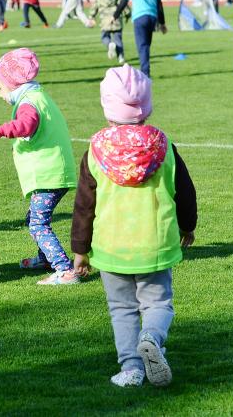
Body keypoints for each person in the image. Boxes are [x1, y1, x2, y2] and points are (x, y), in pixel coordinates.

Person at [72, 63, 197, 388]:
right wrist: (188, 226)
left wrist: (80, 250)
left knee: (122, 309)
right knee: (157, 304)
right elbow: (183, 190)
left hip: (112, 247)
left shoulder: (96, 151)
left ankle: (131, 368)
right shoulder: (163, 145)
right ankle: (152, 338)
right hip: (155, 244)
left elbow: (85, 205)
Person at [0, 48, 79, 285]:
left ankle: (64, 270)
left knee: (38, 223)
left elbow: (26, 124)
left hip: (49, 175)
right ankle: (45, 258)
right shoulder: (38, 95)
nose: (0, 94)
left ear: (13, 83)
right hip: (54, 172)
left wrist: (0, 130)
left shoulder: (28, 103)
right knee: (34, 218)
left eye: (0, 88)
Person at [112, 0, 166, 77]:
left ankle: (145, 74)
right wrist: (162, 23)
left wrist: (115, 15)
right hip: (151, 18)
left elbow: (123, 2)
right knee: (146, 44)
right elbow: (159, 7)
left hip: (139, 18)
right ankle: (145, 70)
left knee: (142, 45)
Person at [88, 0, 130, 64]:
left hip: (105, 21)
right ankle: (121, 57)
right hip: (116, 20)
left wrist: (91, 17)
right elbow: (124, 6)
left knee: (104, 37)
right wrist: (127, 15)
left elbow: (94, 8)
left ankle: (109, 44)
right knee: (118, 39)